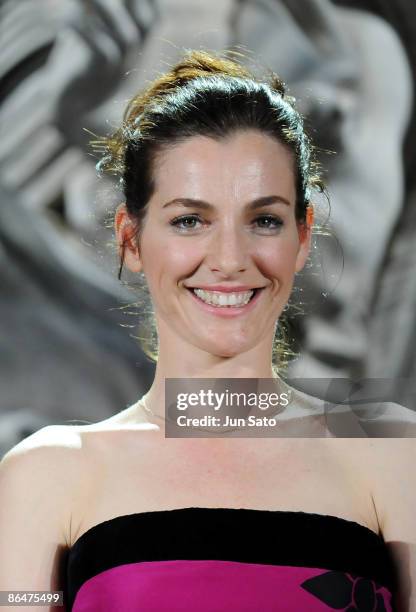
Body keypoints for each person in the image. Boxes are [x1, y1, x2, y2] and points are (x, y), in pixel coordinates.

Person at [0, 49, 415, 612]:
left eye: (264, 220)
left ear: (303, 236)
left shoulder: (391, 447)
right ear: (130, 239)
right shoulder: (47, 470)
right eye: (189, 220)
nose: (229, 259)